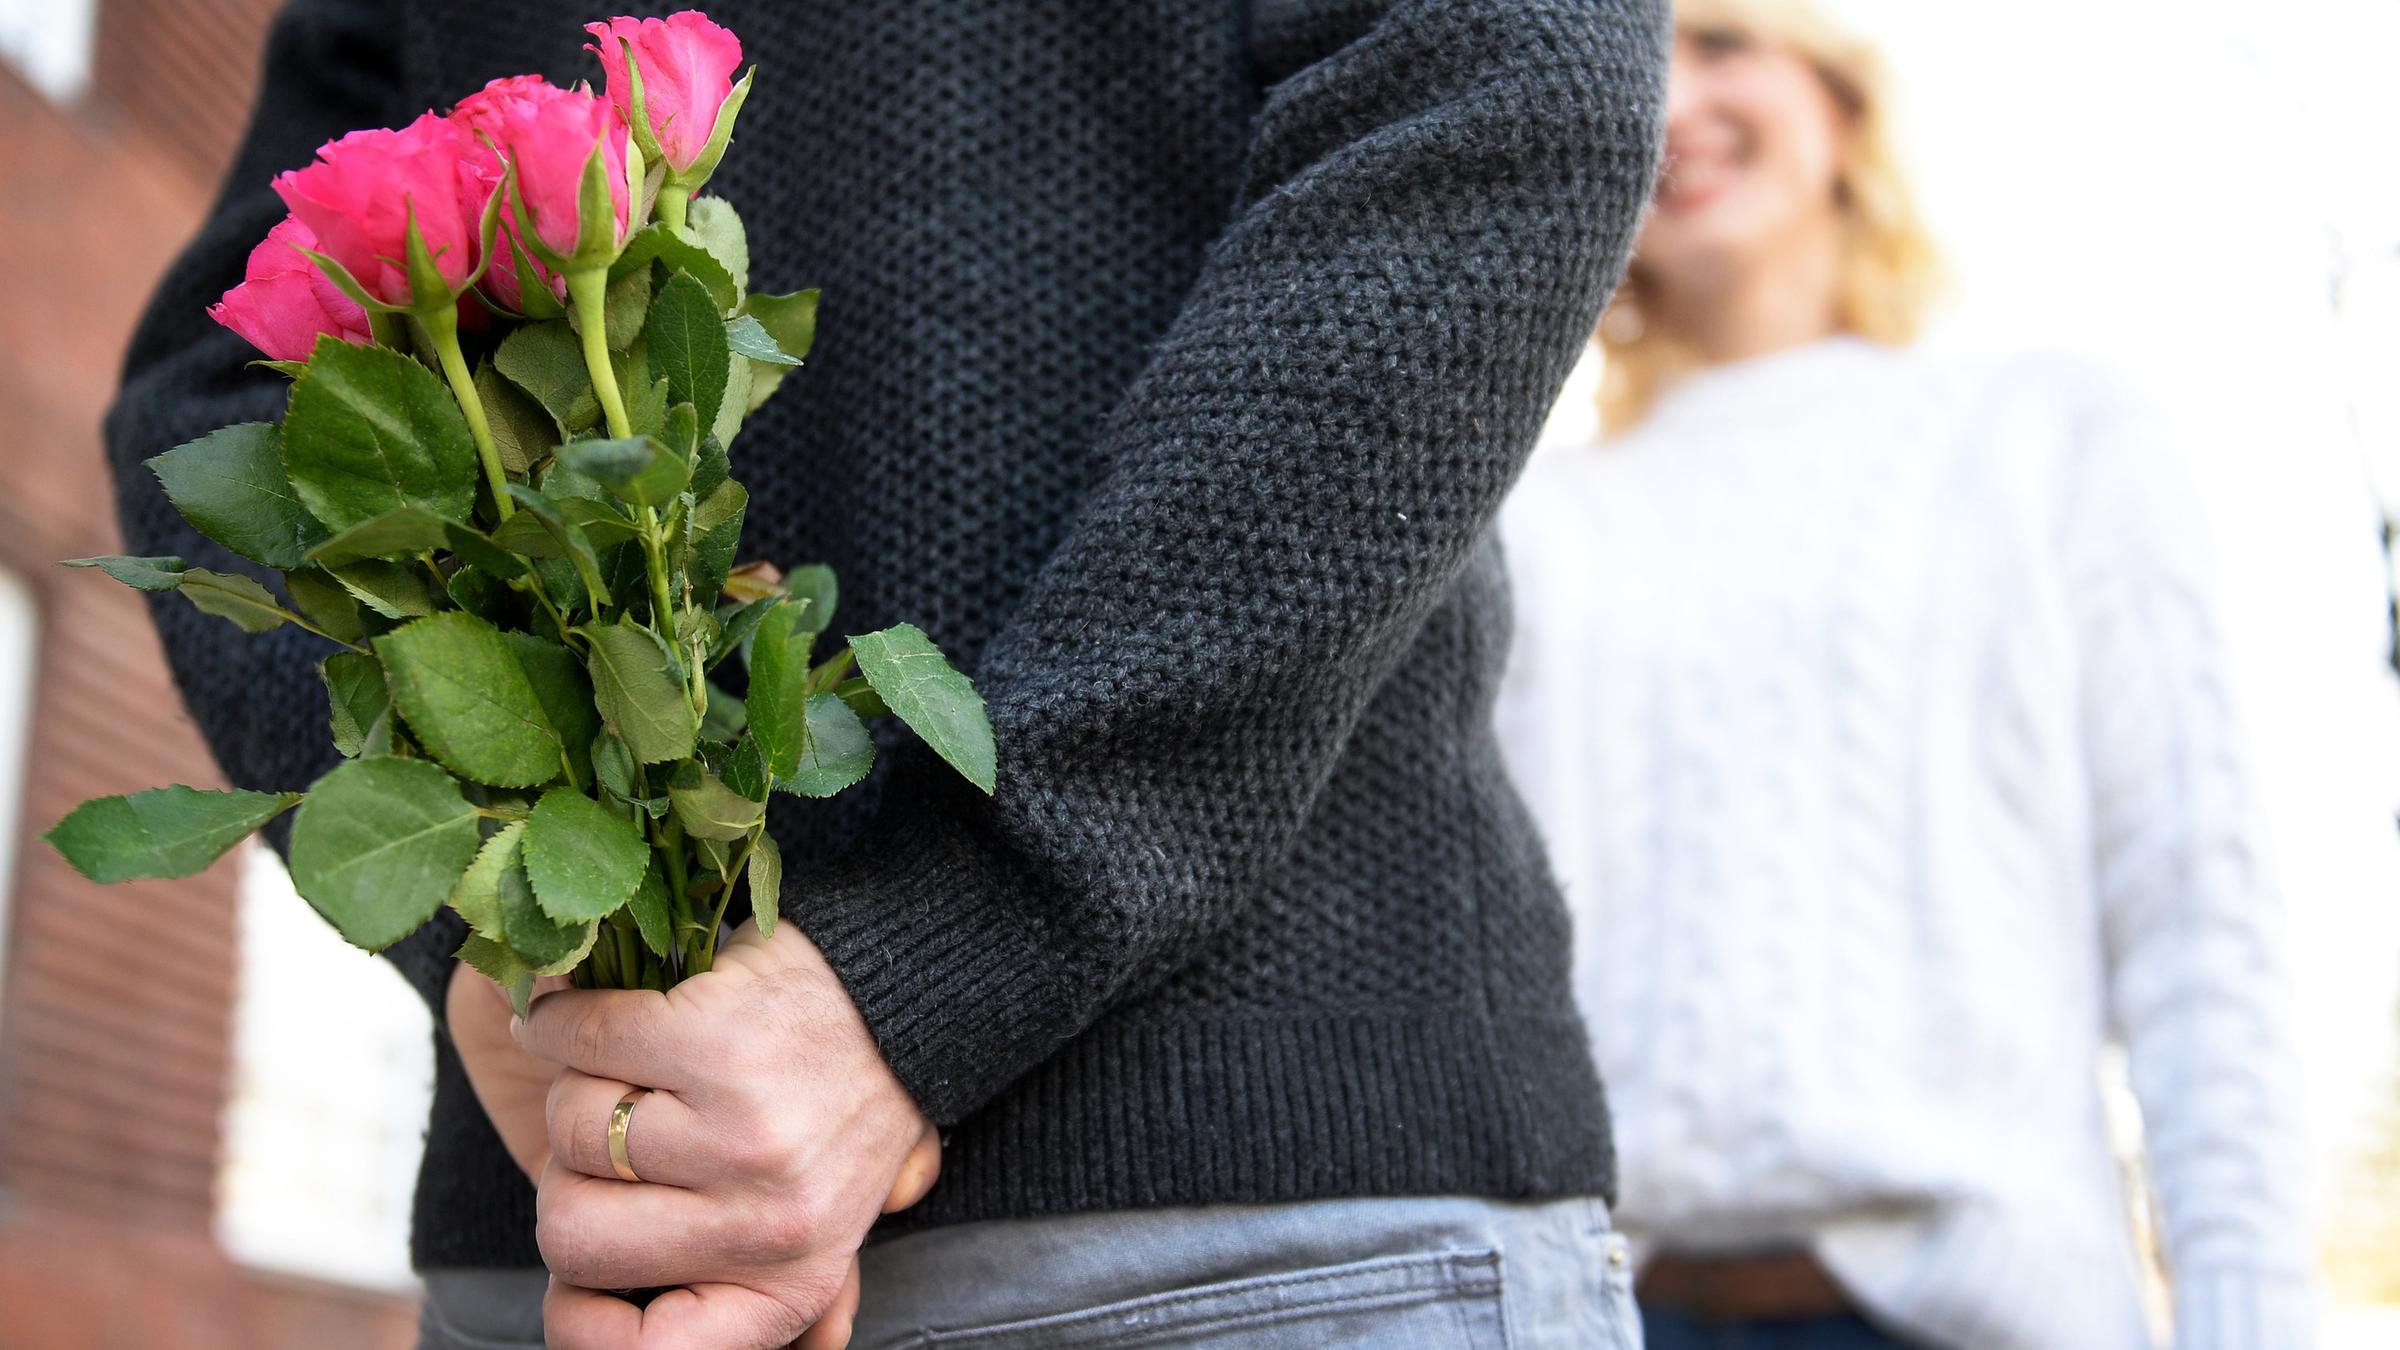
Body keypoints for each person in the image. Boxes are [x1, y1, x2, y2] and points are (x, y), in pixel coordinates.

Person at [102, 1, 1670, 1346]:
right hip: (651, 1231)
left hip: (1226, 1215)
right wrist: (523, 955)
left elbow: (1502, 102)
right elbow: (236, 373)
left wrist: (924, 971)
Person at [1494, 1, 2318, 1347]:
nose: (1670, 103)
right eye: (1632, 65)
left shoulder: (2052, 438)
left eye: (1717, 44)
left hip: (1984, 1311)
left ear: (1842, 108)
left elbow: (2196, 922)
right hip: (1615, 1312)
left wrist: (2249, 1320)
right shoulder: (1536, 527)